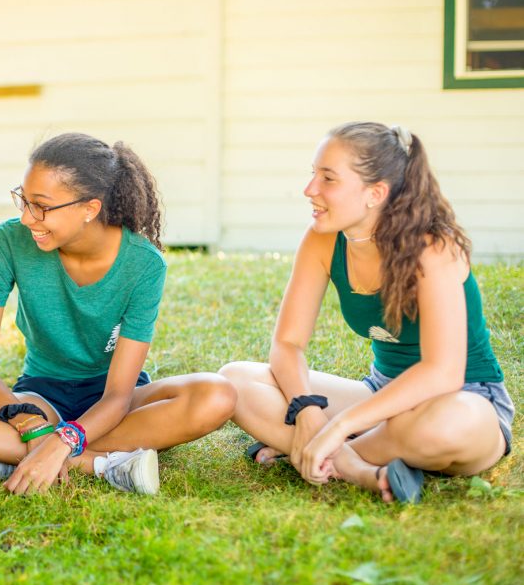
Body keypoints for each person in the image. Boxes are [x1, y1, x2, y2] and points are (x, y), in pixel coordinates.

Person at [219, 122, 514, 503]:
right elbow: (288, 344)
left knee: (441, 426)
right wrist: (307, 411)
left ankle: (320, 452)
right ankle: (358, 468)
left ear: (375, 193)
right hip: (380, 396)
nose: (310, 190)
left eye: (328, 178)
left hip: (463, 399)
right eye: (313, 175)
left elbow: (444, 372)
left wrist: (339, 427)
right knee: (236, 381)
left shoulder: (432, 248)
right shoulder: (322, 240)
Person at [0, 133, 236, 495]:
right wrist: (30, 423)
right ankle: (103, 465)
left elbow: (119, 395)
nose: (27, 218)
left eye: (41, 206)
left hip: (114, 404)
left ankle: (19, 453)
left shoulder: (144, 265)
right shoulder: (8, 242)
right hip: (40, 397)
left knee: (217, 396)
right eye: (23, 201)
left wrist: (62, 442)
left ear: (90, 208)